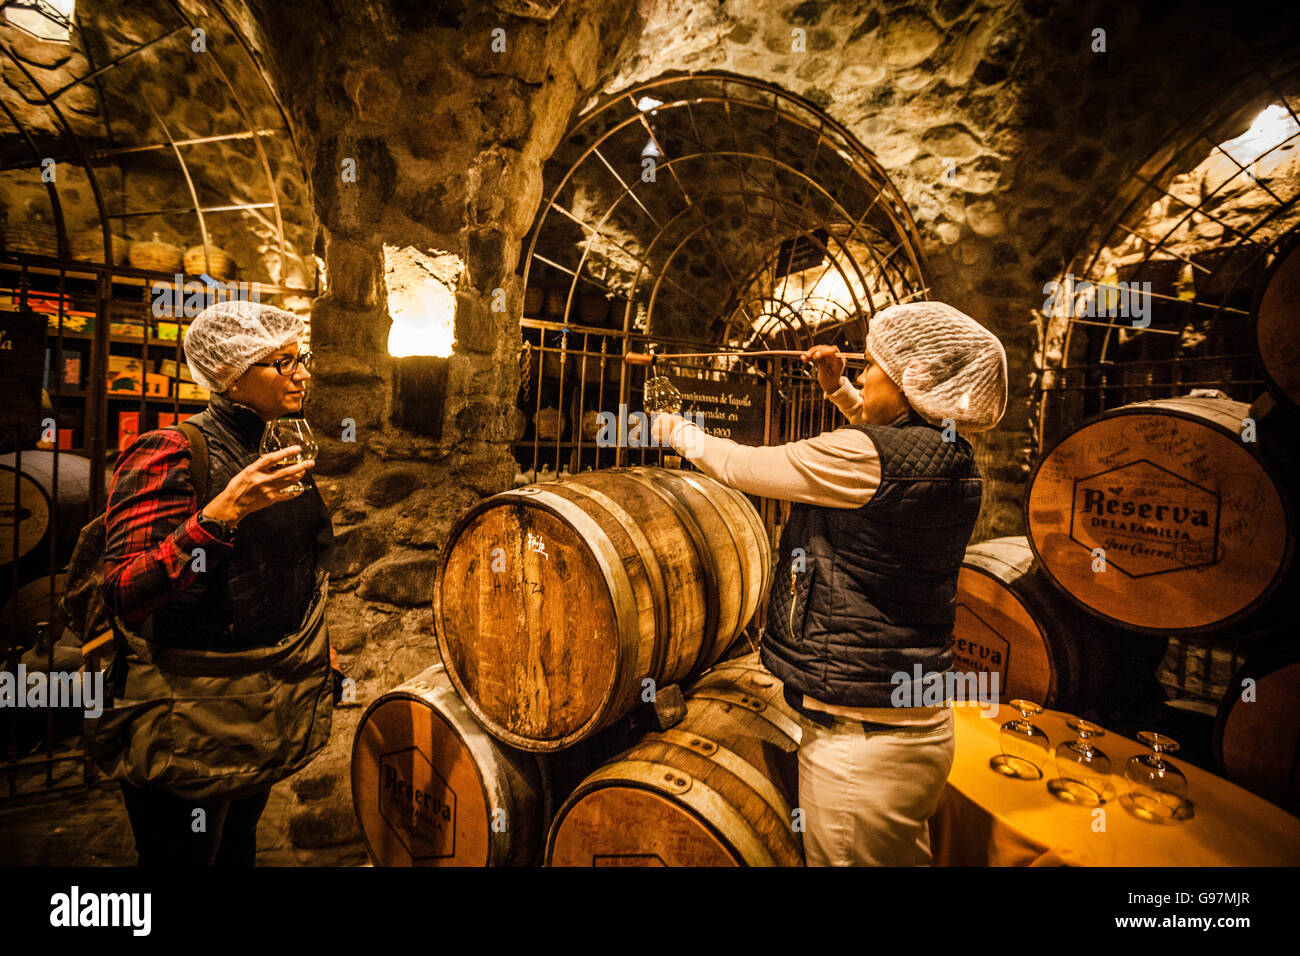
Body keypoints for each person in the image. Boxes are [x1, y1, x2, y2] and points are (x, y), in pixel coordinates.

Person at [651, 301, 1007, 866]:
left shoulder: (864, 459)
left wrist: (677, 432)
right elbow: (886, 446)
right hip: (914, 726)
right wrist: (838, 389)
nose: (864, 374)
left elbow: (742, 467)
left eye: (873, 366)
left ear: (911, 380)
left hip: (861, 745)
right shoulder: (953, 452)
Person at [99, 299, 333, 867]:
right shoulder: (171, 450)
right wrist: (219, 515)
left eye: (301, 358)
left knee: (236, 849)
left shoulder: (273, 446)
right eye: (282, 362)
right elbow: (125, 590)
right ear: (230, 371)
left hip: (261, 695)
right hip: (192, 709)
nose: (301, 372)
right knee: (181, 856)